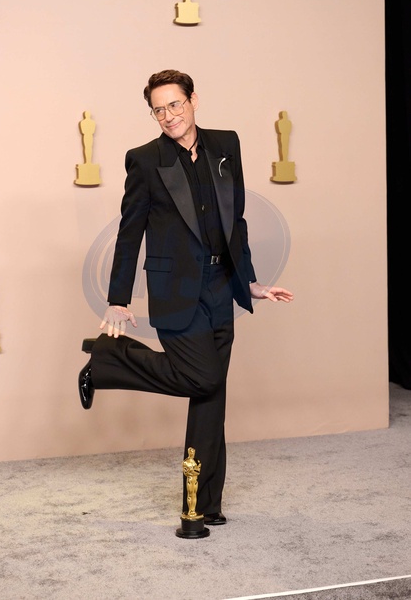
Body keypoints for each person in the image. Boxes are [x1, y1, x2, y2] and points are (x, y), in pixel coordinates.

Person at [78, 69, 294, 526]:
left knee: (211, 396)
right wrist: (118, 299)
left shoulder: (226, 144)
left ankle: (201, 508)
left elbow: (235, 221)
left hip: (221, 286)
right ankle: (107, 361)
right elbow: (129, 232)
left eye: (175, 104)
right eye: (158, 110)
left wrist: (249, 282)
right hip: (175, 292)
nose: (168, 116)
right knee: (205, 379)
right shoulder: (144, 160)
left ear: (193, 100)